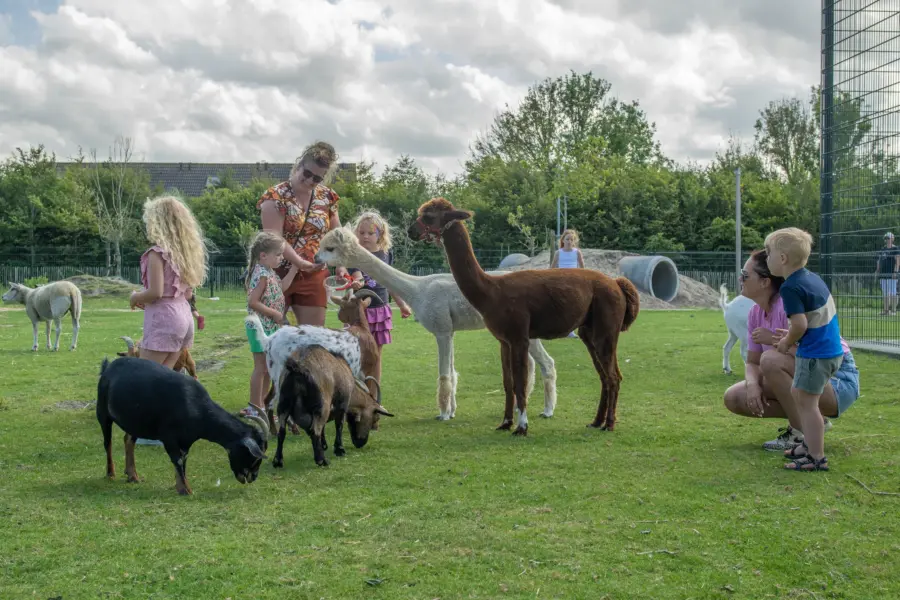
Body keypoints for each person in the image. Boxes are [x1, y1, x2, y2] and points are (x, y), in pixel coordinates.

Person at [723, 250, 859, 453]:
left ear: (764, 282)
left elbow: (817, 355)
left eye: (745, 274)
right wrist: (753, 385)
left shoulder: (787, 306)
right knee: (734, 397)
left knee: (770, 361)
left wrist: (778, 342)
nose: (740, 278)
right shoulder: (755, 313)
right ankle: (816, 421)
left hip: (838, 378)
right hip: (807, 375)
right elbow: (752, 362)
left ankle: (799, 433)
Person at [765, 228, 849, 472]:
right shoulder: (811, 278)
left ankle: (816, 456)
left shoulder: (789, 287)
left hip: (816, 354)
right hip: (830, 351)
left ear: (782, 259)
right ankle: (809, 445)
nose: (766, 257)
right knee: (800, 395)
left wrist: (786, 342)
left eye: (769, 253)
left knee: (808, 403)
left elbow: (799, 324)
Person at [129, 195, 209, 446]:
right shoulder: (184, 253)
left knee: (146, 379)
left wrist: (134, 297)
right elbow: (186, 292)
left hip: (163, 318)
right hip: (183, 316)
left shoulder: (157, 253)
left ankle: (147, 433)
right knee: (166, 379)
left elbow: (154, 292)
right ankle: (169, 428)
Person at [258, 141, 349, 327]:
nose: (309, 181)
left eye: (317, 178)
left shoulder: (327, 197)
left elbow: (337, 234)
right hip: (277, 272)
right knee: (272, 337)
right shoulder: (275, 196)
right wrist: (298, 263)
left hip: (314, 275)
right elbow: (274, 239)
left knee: (313, 339)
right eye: (307, 173)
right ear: (298, 166)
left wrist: (341, 265)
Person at [347, 210, 412, 384]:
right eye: (361, 233)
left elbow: (390, 282)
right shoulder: (353, 254)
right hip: (358, 313)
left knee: (376, 356)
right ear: (356, 233)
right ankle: (356, 396)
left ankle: (375, 398)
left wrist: (401, 303)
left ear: (380, 234)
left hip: (380, 312)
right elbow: (357, 275)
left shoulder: (385, 254)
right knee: (356, 355)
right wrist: (358, 282)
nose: (365, 237)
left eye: (370, 233)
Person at [242, 231, 298, 422]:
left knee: (268, 367)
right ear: (263, 255)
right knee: (260, 368)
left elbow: (280, 288)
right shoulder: (261, 274)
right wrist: (274, 313)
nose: (281, 258)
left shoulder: (270, 273)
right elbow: (253, 302)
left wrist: (294, 270)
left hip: (271, 328)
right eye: (278, 254)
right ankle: (254, 407)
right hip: (259, 327)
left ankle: (263, 405)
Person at [550, 229, 585, 337]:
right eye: (567, 239)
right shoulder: (558, 253)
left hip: (573, 282)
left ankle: (571, 330)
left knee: (574, 306)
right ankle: (559, 329)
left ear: (574, 241)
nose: (569, 241)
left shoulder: (577, 252)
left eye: (572, 239)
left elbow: (582, 268)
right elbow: (552, 268)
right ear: (563, 240)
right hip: (561, 282)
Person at [875, 231, 899, 316]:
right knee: (885, 292)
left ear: (892, 239)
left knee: (893, 292)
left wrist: (895, 271)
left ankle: (893, 311)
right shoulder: (883, 249)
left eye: (888, 238)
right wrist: (877, 270)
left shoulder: (895, 249)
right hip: (883, 274)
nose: (887, 240)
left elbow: (897, 260)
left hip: (892, 274)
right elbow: (879, 260)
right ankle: (886, 310)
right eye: (886, 238)